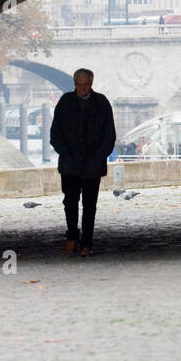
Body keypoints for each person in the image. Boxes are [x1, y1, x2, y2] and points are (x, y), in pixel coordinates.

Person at [49, 68, 117, 256]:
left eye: (86, 85)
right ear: (75, 84)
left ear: (91, 84)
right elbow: (55, 133)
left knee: (89, 205)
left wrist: (99, 156)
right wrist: (65, 151)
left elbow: (109, 134)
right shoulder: (65, 102)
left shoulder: (101, 103)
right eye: (79, 85)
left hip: (92, 164)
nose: (83, 89)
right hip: (70, 162)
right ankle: (72, 236)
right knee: (70, 202)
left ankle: (87, 242)